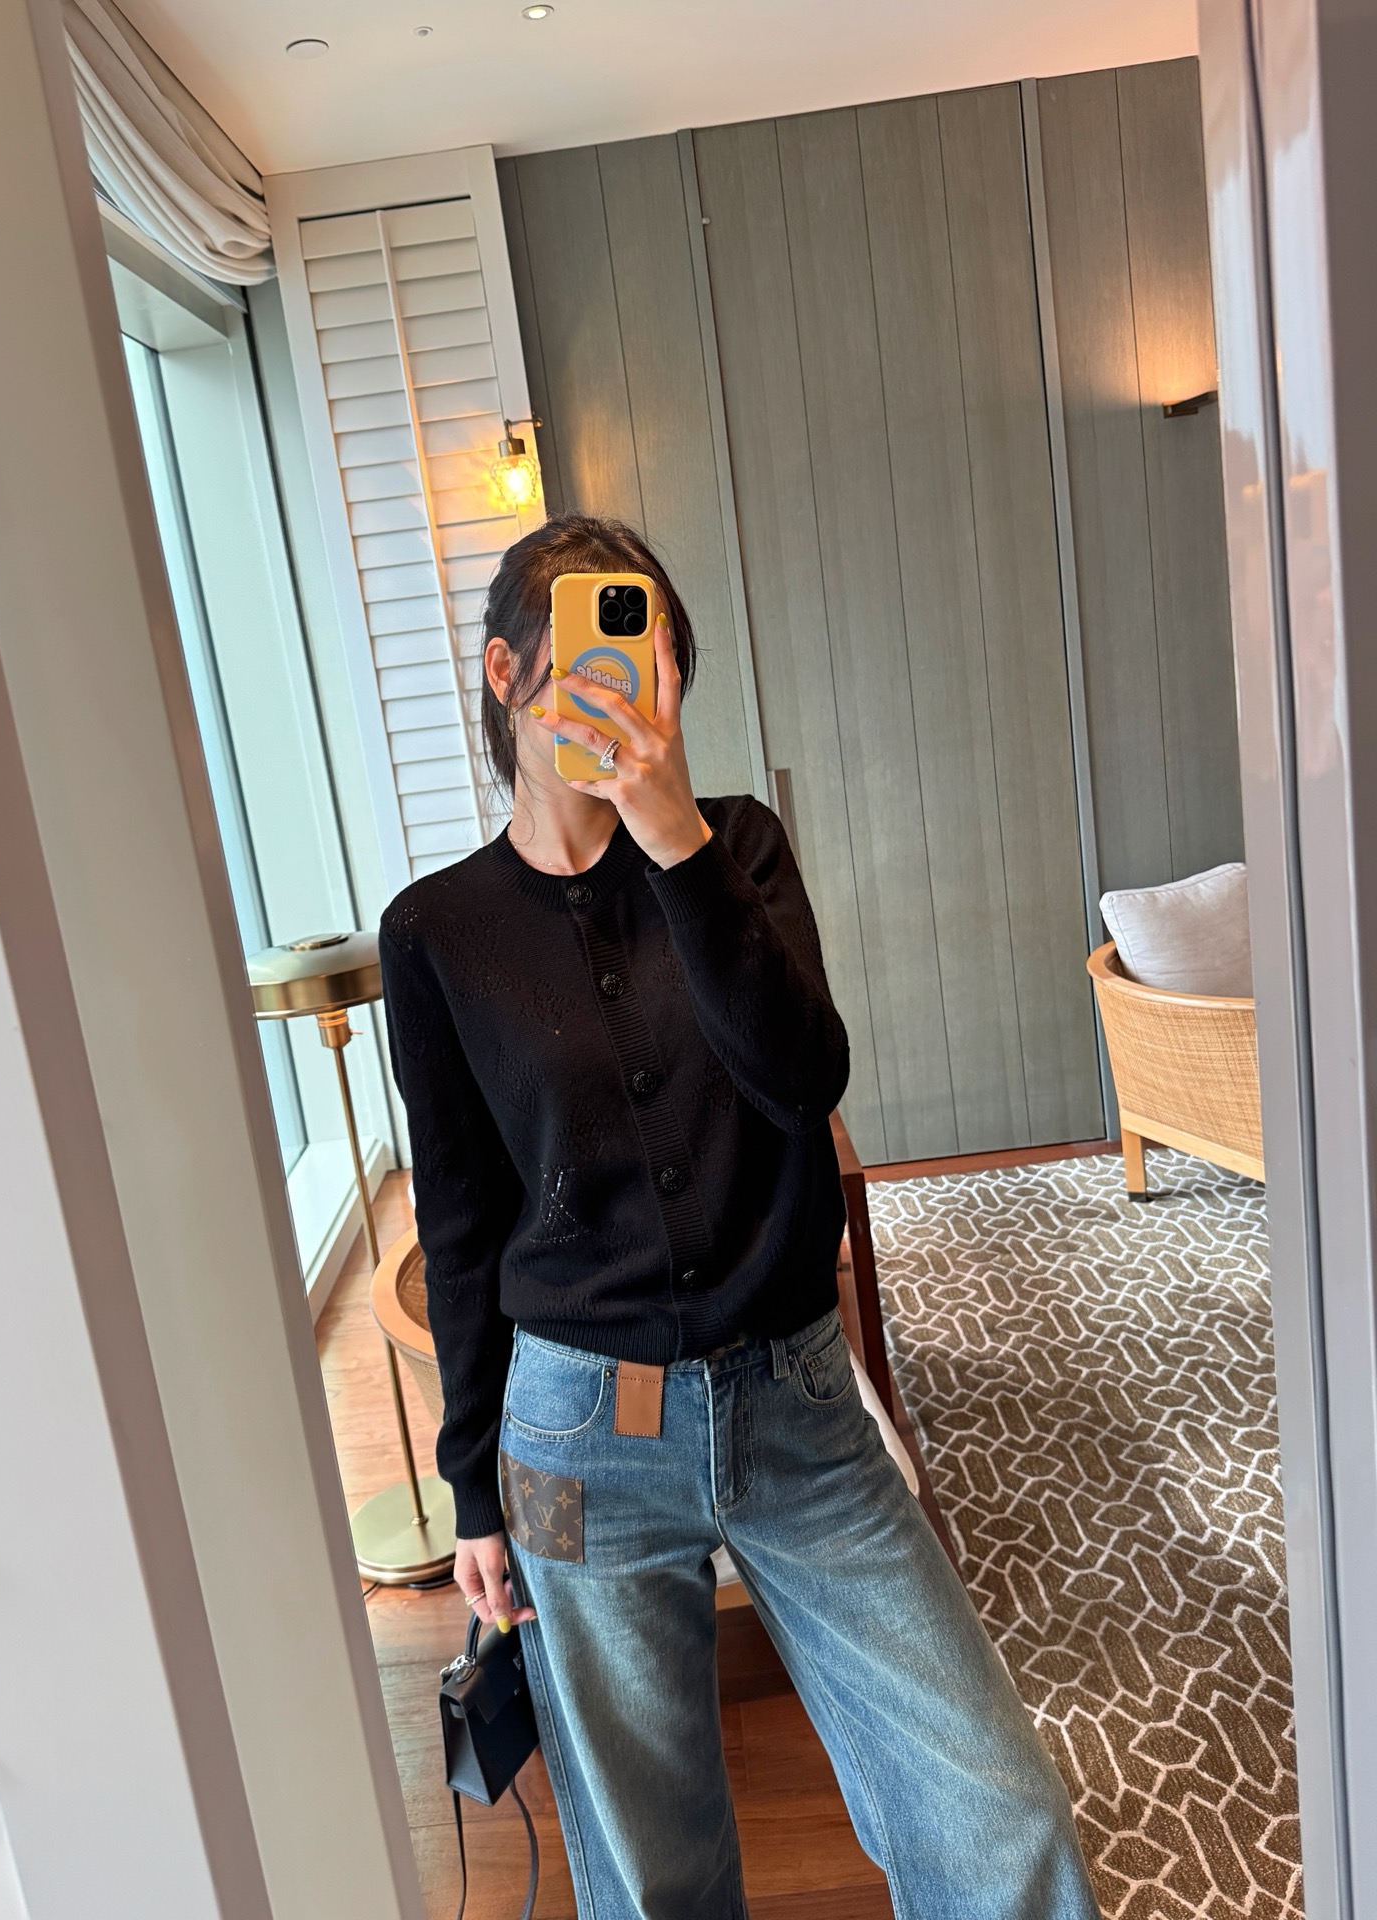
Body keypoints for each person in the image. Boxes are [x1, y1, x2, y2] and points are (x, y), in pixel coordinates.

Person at [379, 515, 1099, 1920]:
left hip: (797, 1407)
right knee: (655, 1875)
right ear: (507, 676)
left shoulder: (736, 850)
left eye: (649, 670)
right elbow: (462, 1223)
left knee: (996, 1807)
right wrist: (471, 1491)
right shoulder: (436, 933)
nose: (623, 701)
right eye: (588, 663)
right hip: (577, 1438)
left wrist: (672, 840)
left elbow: (802, 1076)